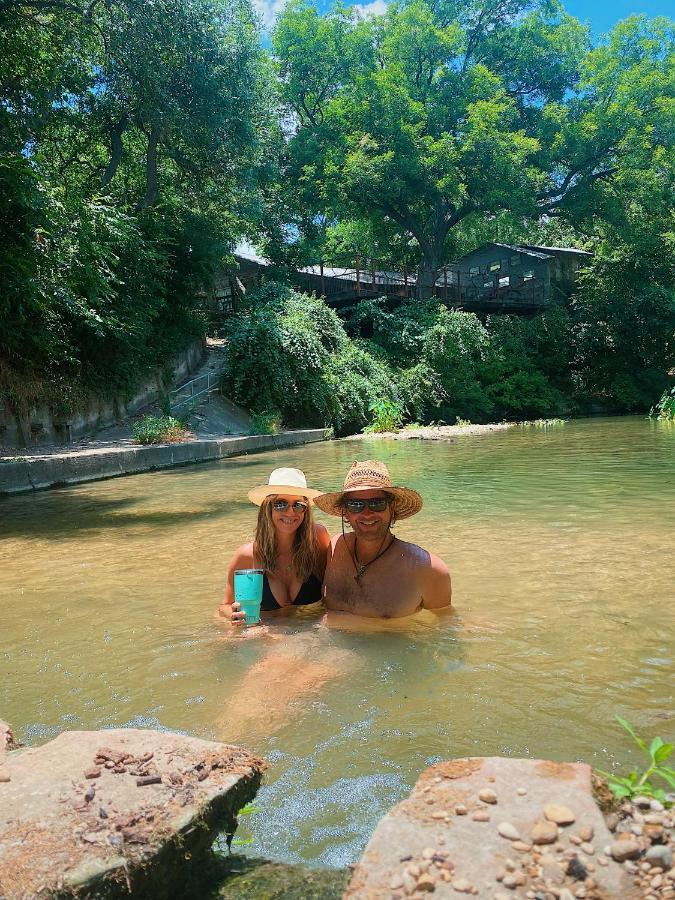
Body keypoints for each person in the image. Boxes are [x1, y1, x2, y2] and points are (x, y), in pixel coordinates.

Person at [315, 460, 452, 618]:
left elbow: (445, 628)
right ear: (345, 511)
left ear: (392, 508)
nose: (366, 513)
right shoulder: (335, 549)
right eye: (355, 505)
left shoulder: (429, 570)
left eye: (377, 503)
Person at [219, 467, 331, 625]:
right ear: (267, 508)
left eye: (298, 505)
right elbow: (224, 606)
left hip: (310, 635)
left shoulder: (318, 539)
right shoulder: (247, 556)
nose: (290, 512)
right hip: (267, 637)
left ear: (306, 510)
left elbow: (335, 588)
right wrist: (234, 616)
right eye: (280, 504)